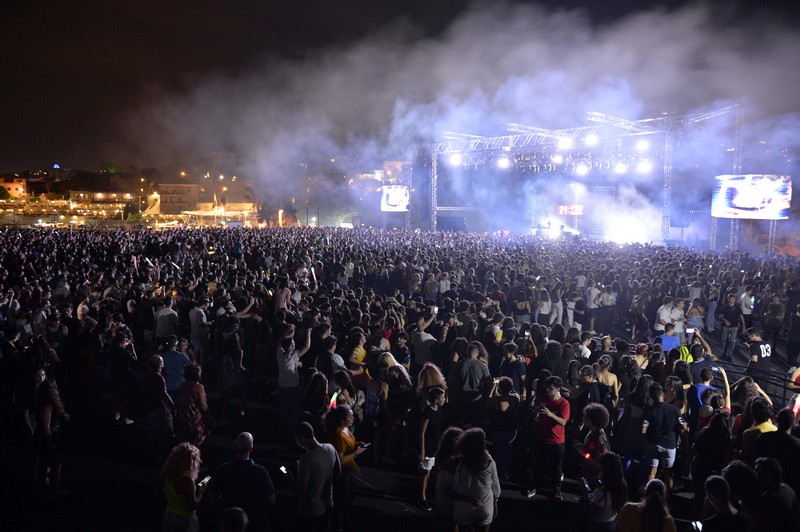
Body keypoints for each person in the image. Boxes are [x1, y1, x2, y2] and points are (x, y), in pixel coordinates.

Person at [209, 432, 275, 532]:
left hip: (229, 523)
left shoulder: (222, 470)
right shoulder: (261, 472)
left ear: (234, 446)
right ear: (251, 449)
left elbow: (212, 500)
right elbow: (271, 501)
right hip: (255, 523)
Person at [289, 421, 341, 532]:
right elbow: (338, 471)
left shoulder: (305, 461)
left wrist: (290, 479)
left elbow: (302, 492)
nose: (297, 442)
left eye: (296, 439)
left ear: (302, 438)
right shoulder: (331, 448)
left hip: (311, 510)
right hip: (328, 503)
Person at [448, 428, 501, 532]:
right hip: (484, 506)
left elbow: (446, 485)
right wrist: (495, 503)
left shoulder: (459, 462)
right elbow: (495, 487)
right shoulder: (490, 463)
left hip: (463, 507)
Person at [527, 375, 570, 500]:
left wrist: (550, 414)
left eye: (550, 388)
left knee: (556, 467)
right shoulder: (542, 399)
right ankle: (534, 486)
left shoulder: (564, 403)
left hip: (557, 440)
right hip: (541, 437)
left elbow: (563, 422)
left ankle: (556, 489)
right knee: (538, 464)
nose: (547, 390)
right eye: (547, 387)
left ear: (557, 389)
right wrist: (536, 411)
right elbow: (535, 415)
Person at [325, 405, 366, 532]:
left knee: (347, 499)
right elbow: (340, 459)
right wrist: (356, 453)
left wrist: (356, 445)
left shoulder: (346, 429)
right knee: (341, 502)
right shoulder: (338, 434)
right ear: (342, 420)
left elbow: (348, 444)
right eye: (350, 416)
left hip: (349, 471)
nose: (353, 418)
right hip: (341, 473)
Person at [641, 384, 687, 493]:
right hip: (669, 445)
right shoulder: (674, 409)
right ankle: (668, 497)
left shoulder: (649, 410)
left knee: (652, 471)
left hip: (653, 444)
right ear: (662, 394)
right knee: (668, 473)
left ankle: (649, 495)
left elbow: (643, 429)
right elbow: (683, 426)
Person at [159, 442, 205, 532]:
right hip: (184, 521)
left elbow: (159, 494)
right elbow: (192, 506)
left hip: (168, 516)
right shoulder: (187, 480)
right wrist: (200, 492)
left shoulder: (165, 474)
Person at [277, 325, 311, 438]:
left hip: (282, 384)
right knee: (295, 409)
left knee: (284, 408)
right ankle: (292, 430)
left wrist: (288, 331)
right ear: (291, 347)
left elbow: (281, 340)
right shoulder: (293, 355)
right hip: (292, 386)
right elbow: (307, 346)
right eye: (292, 343)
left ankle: (283, 428)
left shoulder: (279, 352)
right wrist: (308, 333)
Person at [418, 386, 446, 510]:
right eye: (442, 397)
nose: (444, 399)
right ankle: (422, 498)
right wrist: (422, 450)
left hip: (435, 445)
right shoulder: (428, 412)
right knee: (426, 473)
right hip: (428, 446)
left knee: (434, 473)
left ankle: (431, 496)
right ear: (436, 400)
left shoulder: (439, 410)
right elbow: (422, 433)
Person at [753, 457, 800, 531]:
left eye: (757, 472)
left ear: (768, 476)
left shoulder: (770, 499)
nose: (754, 474)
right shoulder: (788, 489)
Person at [143, 354, 175, 461]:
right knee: (166, 431)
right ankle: (159, 455)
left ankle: (149, 452)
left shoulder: (147, 375)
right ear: (160, 365)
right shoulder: (159, 377)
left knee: (155, 430)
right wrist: (172, 405)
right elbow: (163, 394)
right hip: (159, 407)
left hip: (149, 406)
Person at [585, 452, 627, 532]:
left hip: (599, 526)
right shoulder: (622, 484)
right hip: (613, 522)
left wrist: (585, 496)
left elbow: (593, 515)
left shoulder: (601, 493)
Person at [435, 426, 465, 532]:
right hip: (450, 495)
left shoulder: (441, 455)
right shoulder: (452, 460)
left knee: (448, 523)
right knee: (452, 523)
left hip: (441, 493)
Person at [174, 364, 212, 446]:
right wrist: (210, 419)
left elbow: (178, 401)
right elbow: (203, 406)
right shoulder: (199, 387)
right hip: (194, 419)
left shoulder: (183, 385)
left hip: (184, 417)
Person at [718, 293, 745, 361]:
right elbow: (720, 316)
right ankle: (723, 353)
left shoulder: (737, 307)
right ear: (728, 299)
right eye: (731, 299)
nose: (733, 300)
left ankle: (729, 355)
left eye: (734, 299)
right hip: (725, 327)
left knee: (732, 341)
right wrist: (725, 320)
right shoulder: (725, 307)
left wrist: (744, 326)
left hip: (734, 327)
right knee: (723, 340)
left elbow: (741, 316)